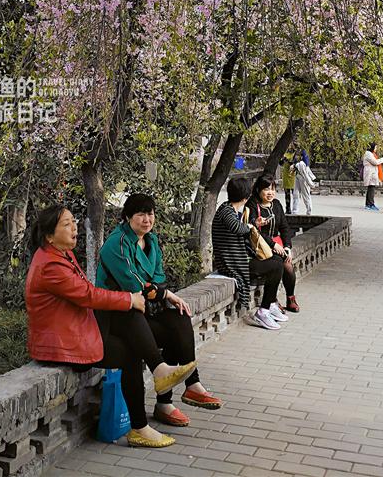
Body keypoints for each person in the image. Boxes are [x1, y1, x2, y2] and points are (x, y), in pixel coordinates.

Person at [25, 205, 198, 449]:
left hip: (78, 330)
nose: (74, 227)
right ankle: (142, 422)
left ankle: (156, 386)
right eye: (66, 224)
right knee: (129, 341)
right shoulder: (50, 265)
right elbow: (87, 295)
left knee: (133, 326)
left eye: (74, 221)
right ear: (49, 236)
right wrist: (129, 299)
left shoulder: (60, 253)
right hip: (64, 344)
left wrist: (131, 301)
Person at [97, 193, 222, 428]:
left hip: (143, 311)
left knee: (178, 320)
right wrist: (163, 293)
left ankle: (186, 390)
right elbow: (134, 285)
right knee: (163, 320)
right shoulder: (117, 244)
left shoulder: (151, 241)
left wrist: (158, 291)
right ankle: (163, 394)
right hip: (118, 317)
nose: (147, 219)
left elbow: (158, 280)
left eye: (150, 213)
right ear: (127, 217)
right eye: (140, 214)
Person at [211, 176, 287, 330]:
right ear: (246, 196)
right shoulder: (226, 211)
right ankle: (264, 310)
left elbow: (241, 227)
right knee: (276, 265)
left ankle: (270, 304)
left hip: (239, 259)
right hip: (232, 264)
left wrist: (253, 224)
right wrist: (252, 227)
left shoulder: (230, 209)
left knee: (278, 261)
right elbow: (238, 228)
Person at [250, 175, 300, 313]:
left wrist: (287, 246)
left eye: (272, 189)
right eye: (266, 189)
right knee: (277, 264)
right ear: (259, 190)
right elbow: (253, 230)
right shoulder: (252, 205)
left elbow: (284, 227)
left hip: (278, 242)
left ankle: (290, 299)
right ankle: (272, 300)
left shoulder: (276, 205)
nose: (270, 192)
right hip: (261, 245)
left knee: (288, 264)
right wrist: (272, 244)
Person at [362, 143, 383, 211]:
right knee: (371, 189)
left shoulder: (370, 154)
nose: (376, 149)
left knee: (370, 188)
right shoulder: (368, 154)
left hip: (371, 173)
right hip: (370, 173)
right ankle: (371, 204)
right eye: (375, 147)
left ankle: (368, 204)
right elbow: (375, 162)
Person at [279, 150, 297, 214]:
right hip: (286, 175)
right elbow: (280, 163)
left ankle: (295, 209)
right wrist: (283, 159)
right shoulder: (285, 153)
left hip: (293, 176)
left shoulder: (296, 153)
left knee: (295, 194)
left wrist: (288, 161)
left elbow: (294, 163)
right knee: (287, 194)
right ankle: (288, 209)